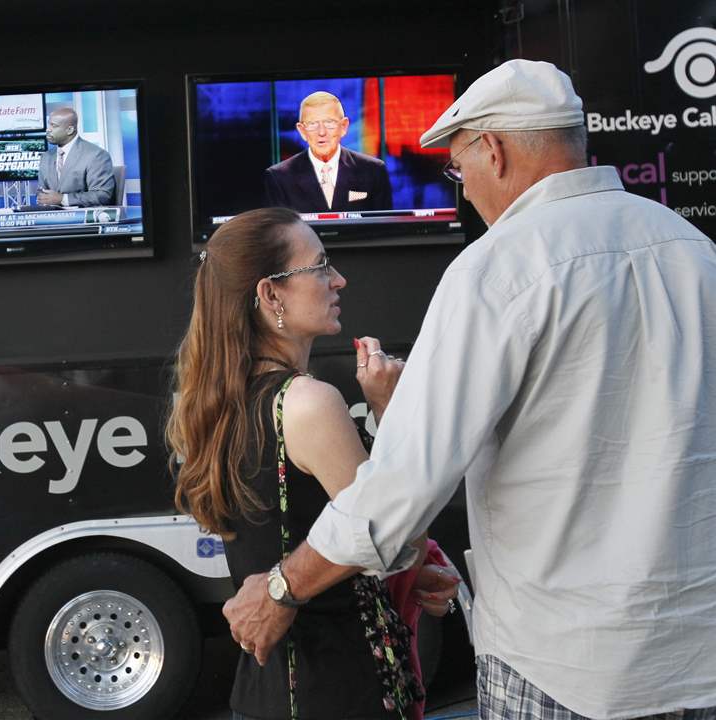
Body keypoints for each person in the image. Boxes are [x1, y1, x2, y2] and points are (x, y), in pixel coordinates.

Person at [224, 59, 716, 719]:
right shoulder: (691, 249)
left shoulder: (499, 268)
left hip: (560, 669)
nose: (463, 191)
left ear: (495, 149)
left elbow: (404, 482)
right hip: (698, 660)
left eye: (459, 171)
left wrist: (283, 586)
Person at [166, 208, 458, 720]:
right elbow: (399, 540)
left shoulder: (214, 403)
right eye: (320, 266)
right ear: (270, 294)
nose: (338, 279)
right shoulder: (308, 403)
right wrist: (392, 412)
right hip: (340, 688)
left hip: (264, 693)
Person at [264, 92, 393, 213]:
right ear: (302, 131)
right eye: (313, 123)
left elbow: (384, 230)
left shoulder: (373, 170)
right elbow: (279, 232)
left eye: (329, 122)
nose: (322, 132)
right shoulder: (279, 177)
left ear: (343, 127)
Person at [36, 107, 116, 207]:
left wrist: (62, 199)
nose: (48, 130)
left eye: (54, 126)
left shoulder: (96, 155)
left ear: (70, 130)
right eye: (49, 124)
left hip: (83, 220)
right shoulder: (46, 157)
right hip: (52, 219)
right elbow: (42, 194)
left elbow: (102, 195)